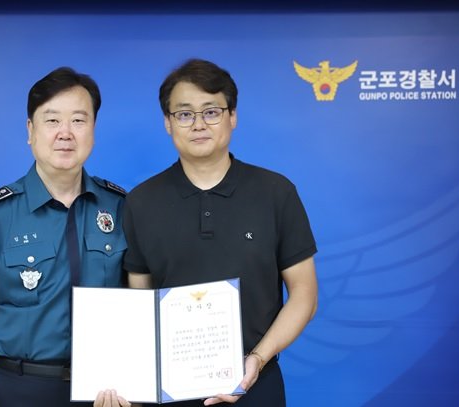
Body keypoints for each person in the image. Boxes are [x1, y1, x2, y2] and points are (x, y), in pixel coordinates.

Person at [123, 59, 318, 406]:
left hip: (256, 384)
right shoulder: (140, 202)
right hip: (169, 391)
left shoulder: (276, 193)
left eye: (211, 111)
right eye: (185, 114)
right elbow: (139, 305)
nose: (199, 124)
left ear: (233, 116)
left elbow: (304, 293)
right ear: (168, 122)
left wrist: (257, 358)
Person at [0, 67, 131, 407]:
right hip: (19, 390)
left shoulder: (121, 208)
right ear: (30, 131)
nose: (65, 133)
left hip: (106, 392)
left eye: (78, 120)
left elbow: (142, 301)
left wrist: (136, 389)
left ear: (93, 129)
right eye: (52, 120)